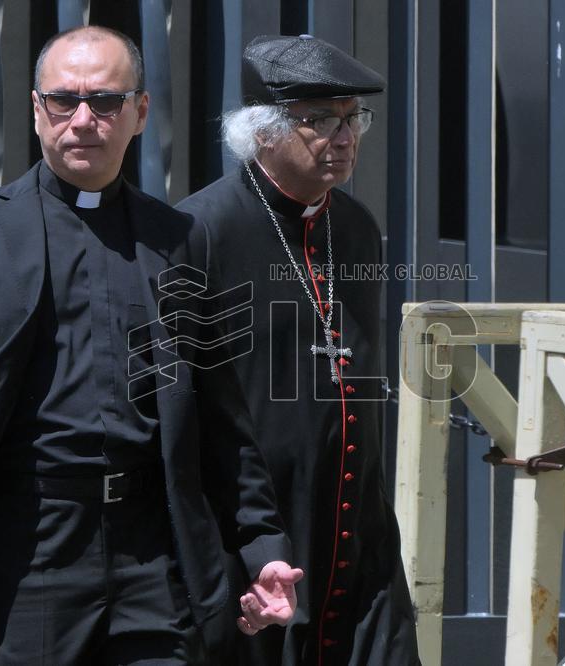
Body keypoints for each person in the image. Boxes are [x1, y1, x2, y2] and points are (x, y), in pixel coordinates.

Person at [0, 25, 302, 665]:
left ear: (140, 112)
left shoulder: (179, 238)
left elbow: (221, 418)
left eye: (104, 102)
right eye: (62, 100)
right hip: (26, 552)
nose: (82, 120)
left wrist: (264, 549)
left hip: (152, 553)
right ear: (35, 111)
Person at [178, 34, 419, 666]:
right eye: (318, 122)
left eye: (352, 119)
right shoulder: (199, 231)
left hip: (356, 526)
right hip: (255, 536)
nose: (343, 139)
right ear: (261, 133)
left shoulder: (358, 227)